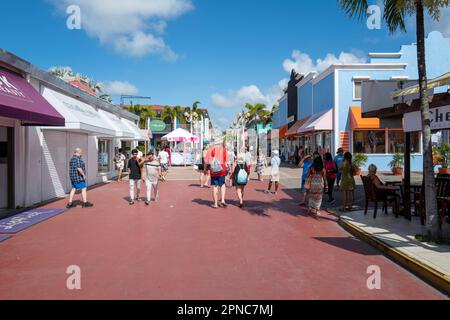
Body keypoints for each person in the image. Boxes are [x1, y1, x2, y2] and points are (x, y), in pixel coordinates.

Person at [206, 142, 228, 208]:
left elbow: (207, 161)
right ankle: (223, 200)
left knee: (215, 186)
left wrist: (207, 168)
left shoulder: (211, 150)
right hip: (222, 169)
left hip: (214, 170)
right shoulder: (224, 150)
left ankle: (215, 204)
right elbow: (227, 160)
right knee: (222, 185)